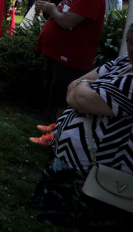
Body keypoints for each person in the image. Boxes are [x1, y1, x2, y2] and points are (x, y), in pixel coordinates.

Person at [30, 27, 133, 229]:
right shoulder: (122, 63)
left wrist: (84, 92)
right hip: (73, 164)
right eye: (131, 45)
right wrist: (84, 95)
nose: (132, 52)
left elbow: (79, 94)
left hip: (102, 172)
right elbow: (73, 87)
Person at [35, 0, 106, 119]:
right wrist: (50, 4)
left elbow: (67, 22)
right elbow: (64, 12)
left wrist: (52, 9)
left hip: (70, 58)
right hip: (58, 54)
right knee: (55, 96)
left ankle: (58, 138)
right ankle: (53, 132)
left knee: (63, 101)